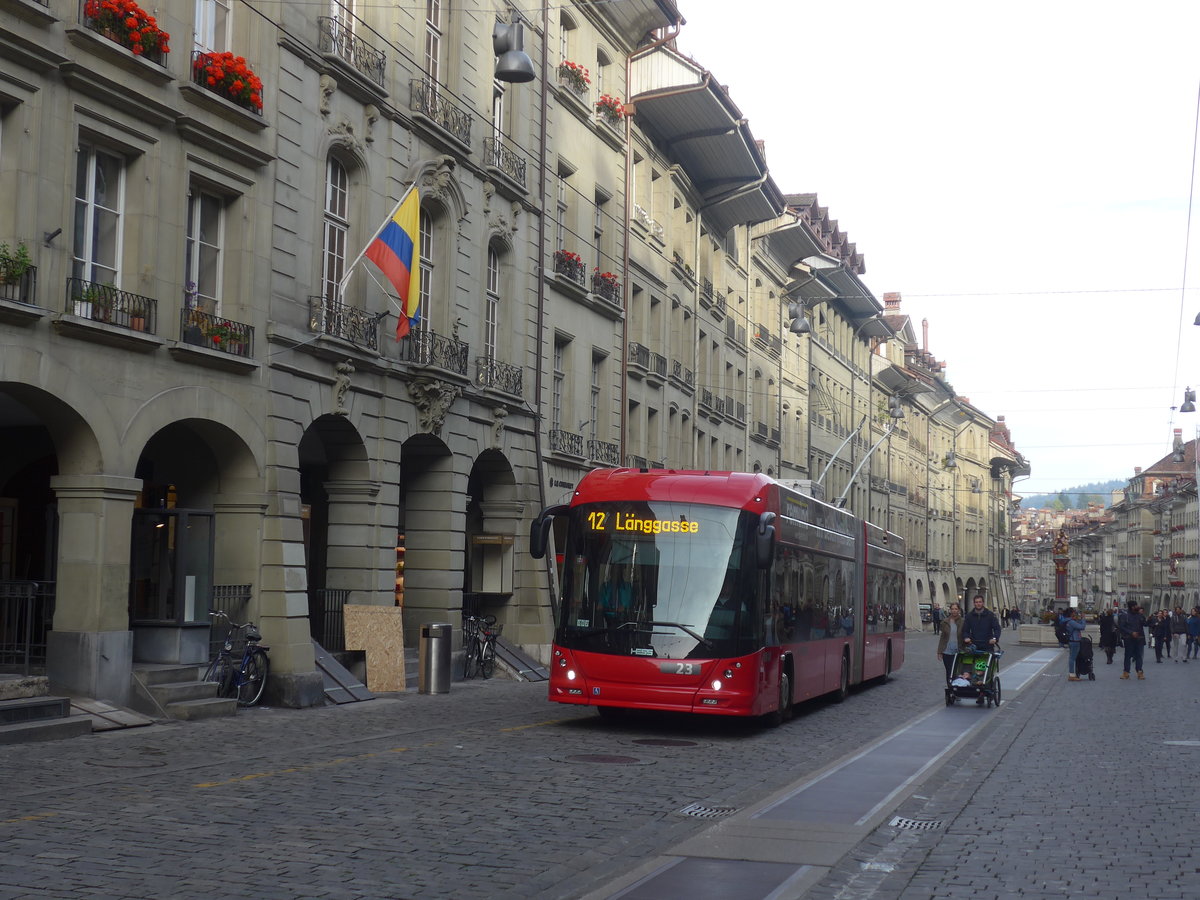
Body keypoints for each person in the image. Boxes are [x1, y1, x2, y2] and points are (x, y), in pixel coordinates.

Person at [1117, 599, 1148, 680]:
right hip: (1129, 639)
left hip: (1139, 638)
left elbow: (1145, 624)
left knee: (1139, 656)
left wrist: (1151, 620)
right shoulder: (1125, 615)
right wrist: (1131, 632)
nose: (1138, 607)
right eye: (1136, 606)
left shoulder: (1140, 615)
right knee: (1127, 656)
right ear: (1132, 607)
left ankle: (1140, 672)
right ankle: (1126, 672)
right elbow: (1122, 627)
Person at [936, 602, 964, 685]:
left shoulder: (963, 621)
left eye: (956, 609)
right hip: (947, 650)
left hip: (958, 650)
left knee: (957, 671)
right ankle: (950, 690)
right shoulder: (945, 622)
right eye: (952, 609)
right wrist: (939, 651)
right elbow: (943, 637)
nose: (954, 611)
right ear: (950, 610)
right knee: (949, 671)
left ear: (959, 610)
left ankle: (957, 688)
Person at [1066, 608, 1087, 680]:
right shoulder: (1071, 622)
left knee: (1072, 657)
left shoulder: (1069, 621)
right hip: (1074, 641)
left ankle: (1073, 674)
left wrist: (1080, 619)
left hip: (1072, 640)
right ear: (1071, 614)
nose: (1076, 614)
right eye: (1074, 613)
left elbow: (1078, 625)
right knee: (1072, 658)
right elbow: (1082, 627)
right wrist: (1083, 619)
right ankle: (1071, 675)